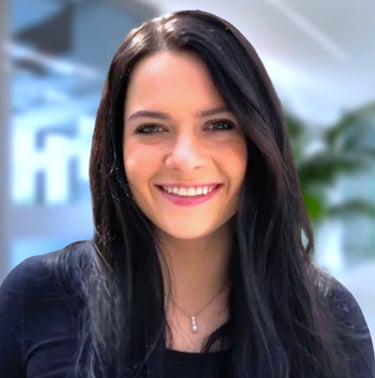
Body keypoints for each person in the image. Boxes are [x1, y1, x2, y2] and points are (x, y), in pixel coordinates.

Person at [0, 9, 374, 378]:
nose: (184, 158)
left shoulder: (327, 318)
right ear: (116, 147)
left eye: (218, 125)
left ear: (257, 140)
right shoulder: (38, 298)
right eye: (151, 128)